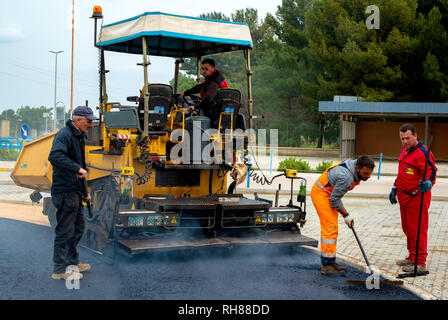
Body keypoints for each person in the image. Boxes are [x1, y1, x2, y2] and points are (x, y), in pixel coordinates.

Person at [48, 106, 98, 280]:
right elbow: (54, 156)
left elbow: (80, 168)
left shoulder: (78, 137)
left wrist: (84, 192)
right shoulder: (65, 134)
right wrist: (76, 168)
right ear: (78, 120)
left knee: (78, 227)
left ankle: (72, 261)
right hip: (64, 190)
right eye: (89, 121)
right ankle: (59, 270)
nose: (91, 125)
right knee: (65, 231)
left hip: (74, 190)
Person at [311, 155, 375, 276]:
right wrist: (346, 215)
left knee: (333, 228)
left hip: (329, 194)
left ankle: (330, 261)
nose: (368, 176)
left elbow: (335, 198)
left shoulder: (354, 167)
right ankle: (326, 266)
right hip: (321, 194)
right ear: (357, 168)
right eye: (366, 173)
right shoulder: (346, 177)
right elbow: (334, 200)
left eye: (370, 173)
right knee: (330, 228)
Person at [389, 123, 437, 273]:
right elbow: (402, 171)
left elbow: (432, 172)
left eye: (408, 138)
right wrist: (395, 187)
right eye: (402, 138)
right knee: (408, 229)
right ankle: (412, 257)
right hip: (404, 198)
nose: (405, 142)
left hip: (417, 198)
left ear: (415, 136)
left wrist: (428, 183)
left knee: (417, 230)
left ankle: (420, 263)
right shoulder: (405, 151)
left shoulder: (423, 152)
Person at [179, 58, 229, 126]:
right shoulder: (213, 79)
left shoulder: (214, 82)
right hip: (220, 110)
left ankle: (186, 133)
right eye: (202, 69)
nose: (203, 71)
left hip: (216, 113)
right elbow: (200, 87)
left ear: (213, 69)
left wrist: (195, 107)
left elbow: (208, 99)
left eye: (206, 69)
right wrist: (185, 93)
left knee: (189, 115)